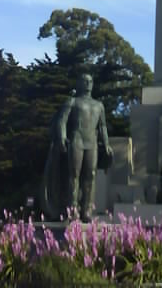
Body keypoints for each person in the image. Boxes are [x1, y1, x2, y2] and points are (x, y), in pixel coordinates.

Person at [55, 73, 113, 221]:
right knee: (74, 175)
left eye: (90, 81)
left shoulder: (99, 105)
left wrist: (106, 144)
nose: (88, 83)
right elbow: (62, 121)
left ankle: (86, 210)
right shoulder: (72, 102)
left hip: (92, 143)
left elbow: (103, 127)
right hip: (77, 140)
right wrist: (62, 137)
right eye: (85, 81)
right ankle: (72, 209)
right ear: (79, 83)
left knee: (90, 176)